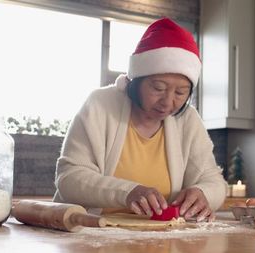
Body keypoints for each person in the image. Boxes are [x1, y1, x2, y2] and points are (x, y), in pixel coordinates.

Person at [53, 18, 227, 222]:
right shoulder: (100, 105)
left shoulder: (188, 120)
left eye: (181, 92)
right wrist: (127, 192)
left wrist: (203, 193)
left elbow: (213, 181)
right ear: (135, 81)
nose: (167, 102)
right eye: (158, 88)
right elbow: (69, 178)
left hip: (163, 240)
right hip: (90, 235)